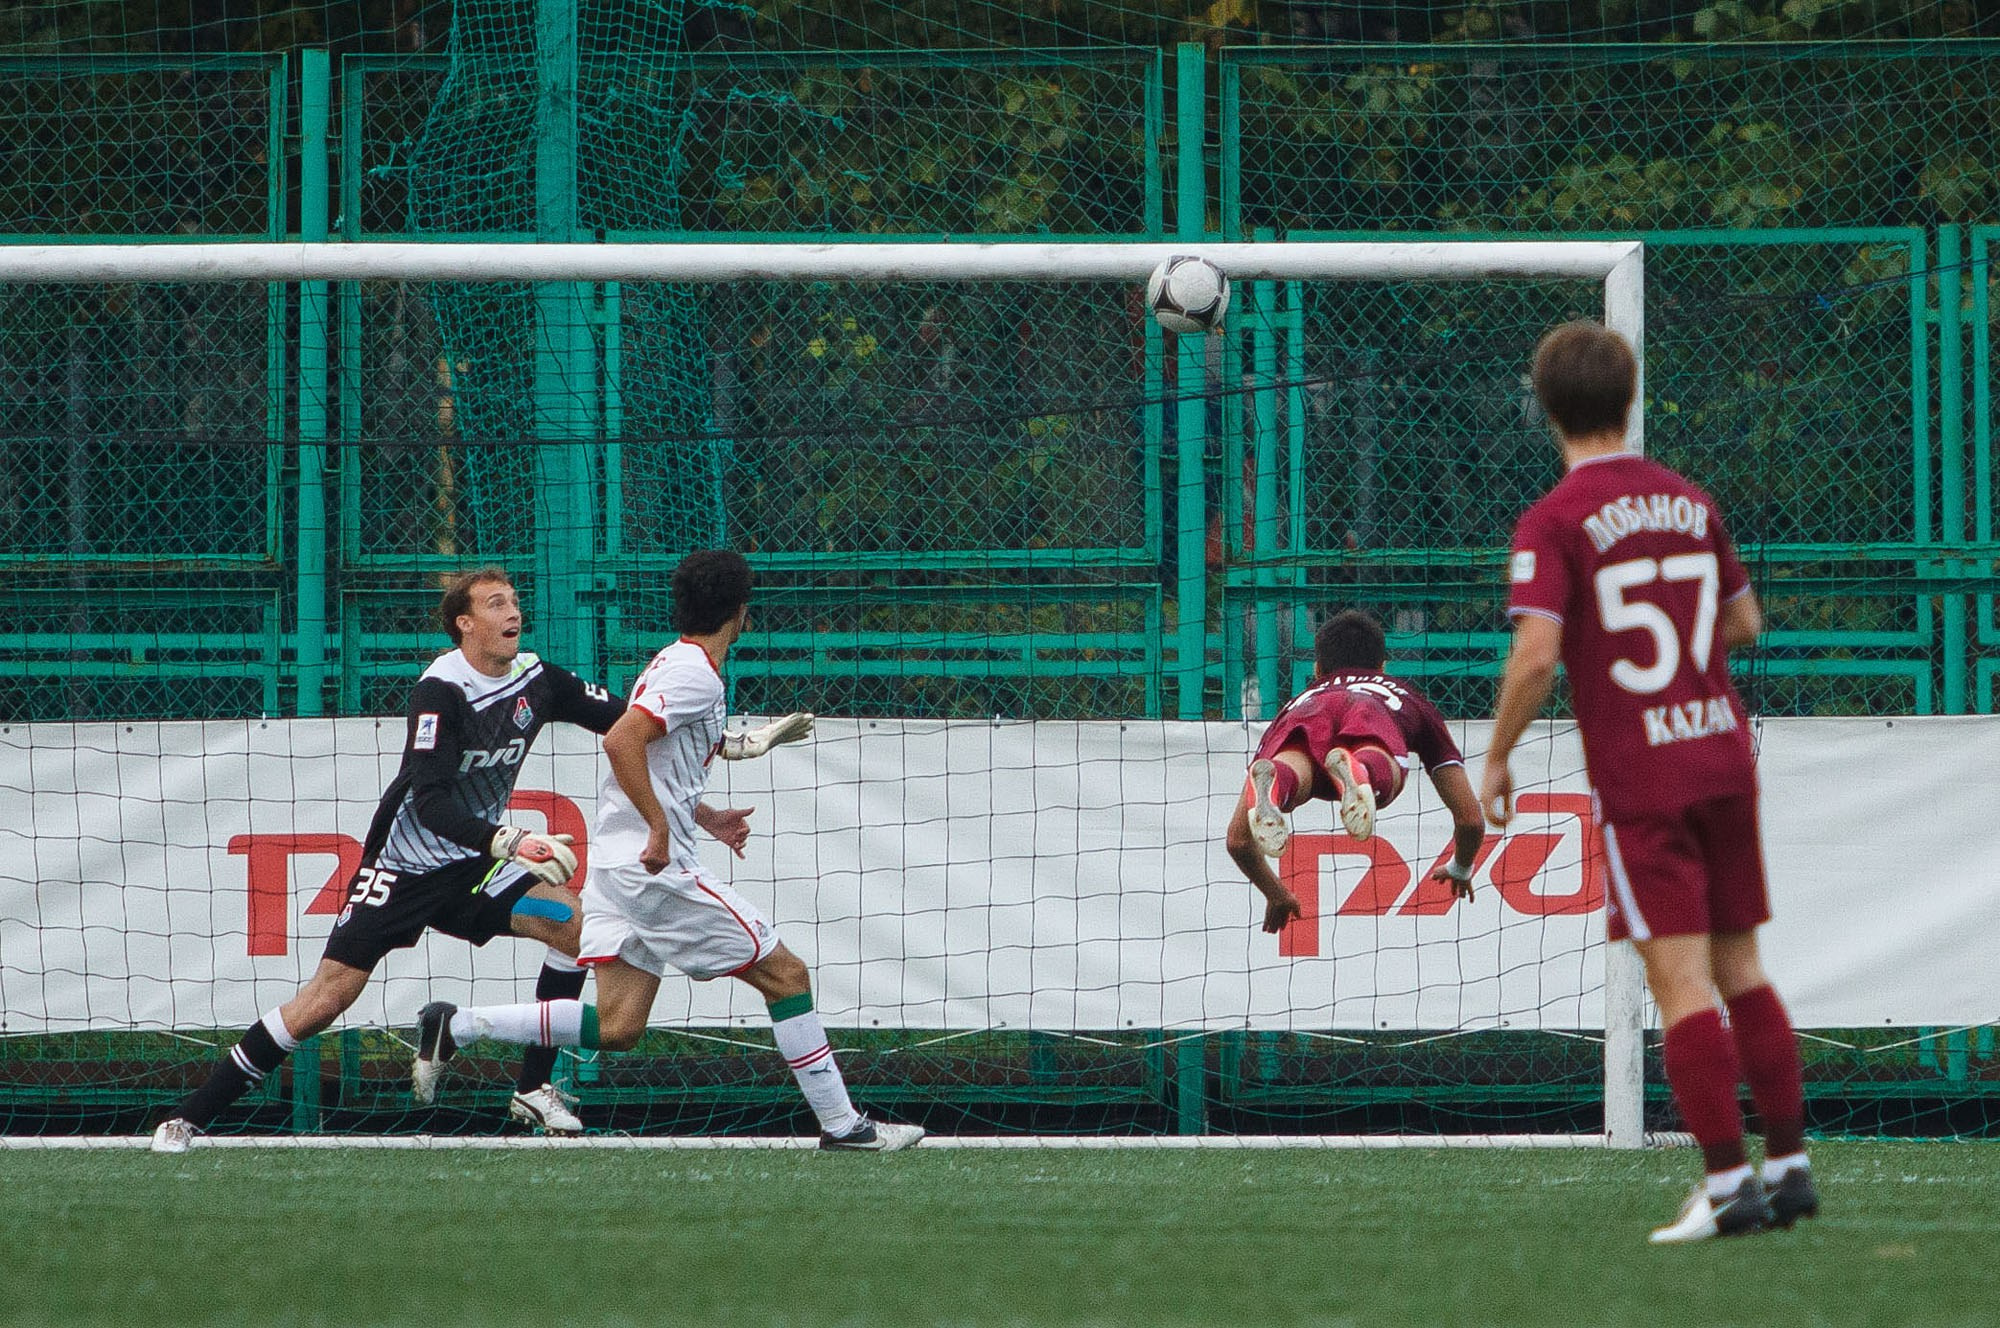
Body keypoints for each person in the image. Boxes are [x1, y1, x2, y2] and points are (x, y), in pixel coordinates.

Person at [1481, 320, 1816, 1243]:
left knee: (1679, 985)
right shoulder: (1688, 499)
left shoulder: (1554, 520)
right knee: (1741, 965)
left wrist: (1499, 753)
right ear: (1630, 400)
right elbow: (1746, 621)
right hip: (1720, 751)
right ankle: (1787, 1167)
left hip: (1645, 774)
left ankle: (1724, 1186)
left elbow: (1537, 656)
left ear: (1545, 408)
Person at [413, 549, 924, 1152]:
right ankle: (844, 1127)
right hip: (653, 871)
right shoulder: (693, 674)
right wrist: (660, 828)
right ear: (742, 613)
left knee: (620, 1025)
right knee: (786, 975)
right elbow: (625, 740)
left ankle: (458, 1025)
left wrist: (704, 815)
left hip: (618, 866)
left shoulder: (678, 662)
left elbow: (659, 751)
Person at [150, 568, 628, 1152]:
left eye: (515, 602)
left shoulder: (537, 679)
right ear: (465, 623)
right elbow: (429, 803)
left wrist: (710, 740)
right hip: (404, 867)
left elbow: (630, 724)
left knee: (574, 925)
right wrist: (509, 839)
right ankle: (186, 1119)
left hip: (474, 869)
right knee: (324, 1001)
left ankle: (532, 1086)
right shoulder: (441, 691)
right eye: (496, 604)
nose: (513, 614)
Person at [1226, 609, 1486, 934]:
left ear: (1317, 669)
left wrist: (1276, 893)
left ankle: (1276, 783)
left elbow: (1237, 840)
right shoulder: (1406, 696)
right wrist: (1461, 867)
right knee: (1377, 754)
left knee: (1297, 763)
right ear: (1383, 666)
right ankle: (1361, 768)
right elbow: (1470, 819)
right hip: (1374, 711)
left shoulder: (1296, 703)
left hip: (1307, 715)